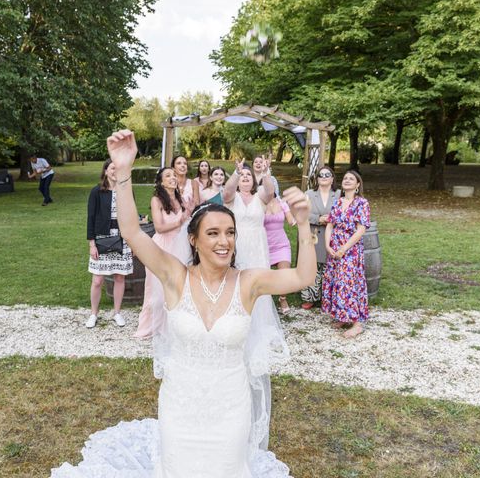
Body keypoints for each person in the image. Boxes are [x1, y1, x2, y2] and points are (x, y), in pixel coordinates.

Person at [51, 129, 316, 478]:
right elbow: (131, 232)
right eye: (213, 233)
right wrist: (124, 169)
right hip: (180, 408)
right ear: (193, 239)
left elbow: (302, 278)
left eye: (230, 233)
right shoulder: (175, 276)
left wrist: (303, 224)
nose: (224, 242)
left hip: (231, 409)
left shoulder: (249, 282)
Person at [135, 167, 192, 338]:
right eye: (168, 176)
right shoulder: (157, 200)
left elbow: (186, 222)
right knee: (157, 290)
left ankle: (175, 326)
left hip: (180, 246)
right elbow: (159, 228)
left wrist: (187, 214)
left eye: (174, 175)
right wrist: (180, 221)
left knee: (179, 287)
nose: (173, 178)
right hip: (162, 248)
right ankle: (151, 327)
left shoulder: (180, 198)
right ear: (161, 182)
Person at [322, 170, 370, 339]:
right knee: (336, 281)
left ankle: (357, 324)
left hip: (350, 249)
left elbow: (361, 230)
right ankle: (342, 316)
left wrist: (344, 248)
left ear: (357, 185)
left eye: (352, 179)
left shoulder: (361, 203)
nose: (347, 180)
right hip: (334, 247)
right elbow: (330, 225)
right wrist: (327, 245)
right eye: (345, 178)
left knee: (348, 283)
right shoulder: (338, 201)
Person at [85, 159, 133, 329]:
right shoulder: (97, 191)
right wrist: (92, 244)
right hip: (102, 238)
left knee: (120, 277)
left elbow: (131, 217)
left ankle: (117, 313)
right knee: (98, 280)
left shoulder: (126, 191)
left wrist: (133, 241)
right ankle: (93, 314)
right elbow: (90, 218)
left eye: (118, 168)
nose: (115, 171)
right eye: (112, 168)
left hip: (122, 238)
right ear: (106, 171)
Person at [301, 166, 340, 309]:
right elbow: (301, 214)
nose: (324, 177)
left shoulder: (339, 194)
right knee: (313, 266)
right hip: (314, 234)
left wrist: (332, 218)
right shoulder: (309, 194)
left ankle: (328, 297)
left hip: (333, 235)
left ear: (332, 178)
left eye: (327, 174)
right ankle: (309, 297)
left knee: (330, 267)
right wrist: (318, 218)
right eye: (321, 175)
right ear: (317, 179)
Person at [264, 194, 296, 314]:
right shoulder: (258, 203)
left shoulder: (282, 203)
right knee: (264, 276)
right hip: (264, 246)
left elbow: (291, 221)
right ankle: (264, 302)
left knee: (285, 274)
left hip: (281, 245)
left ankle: (282, 299)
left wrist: (297, 215)